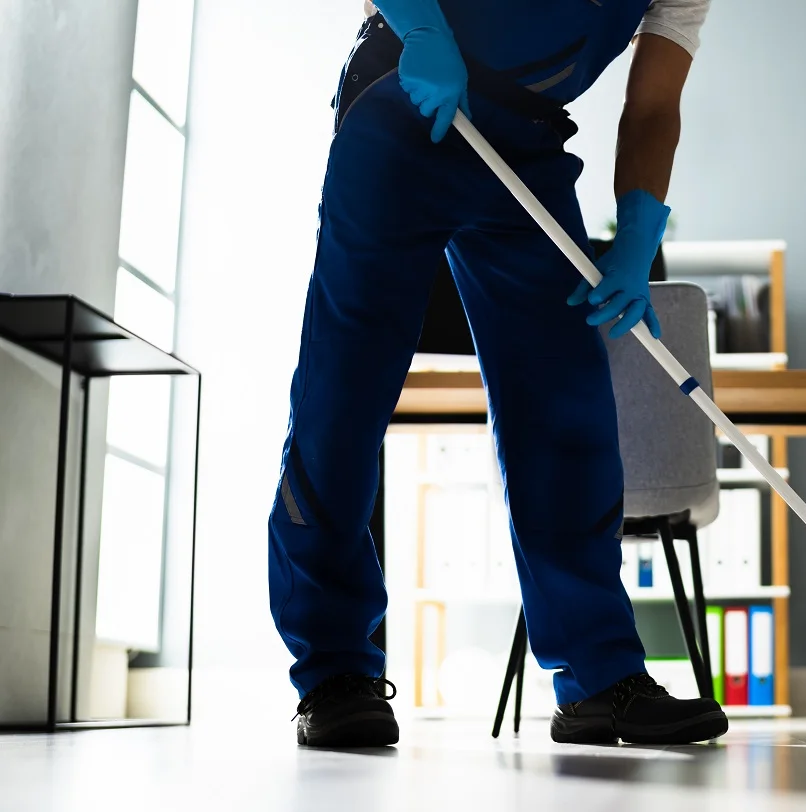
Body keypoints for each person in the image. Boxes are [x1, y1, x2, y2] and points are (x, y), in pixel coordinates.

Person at [270, 0, 726, 749]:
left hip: (527, 140)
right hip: (408, 90)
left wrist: (639, 231)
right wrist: (419, 27)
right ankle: (334, 671)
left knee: (566, 395)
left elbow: (652, 104)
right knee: (345, 389)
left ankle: (597, 675)